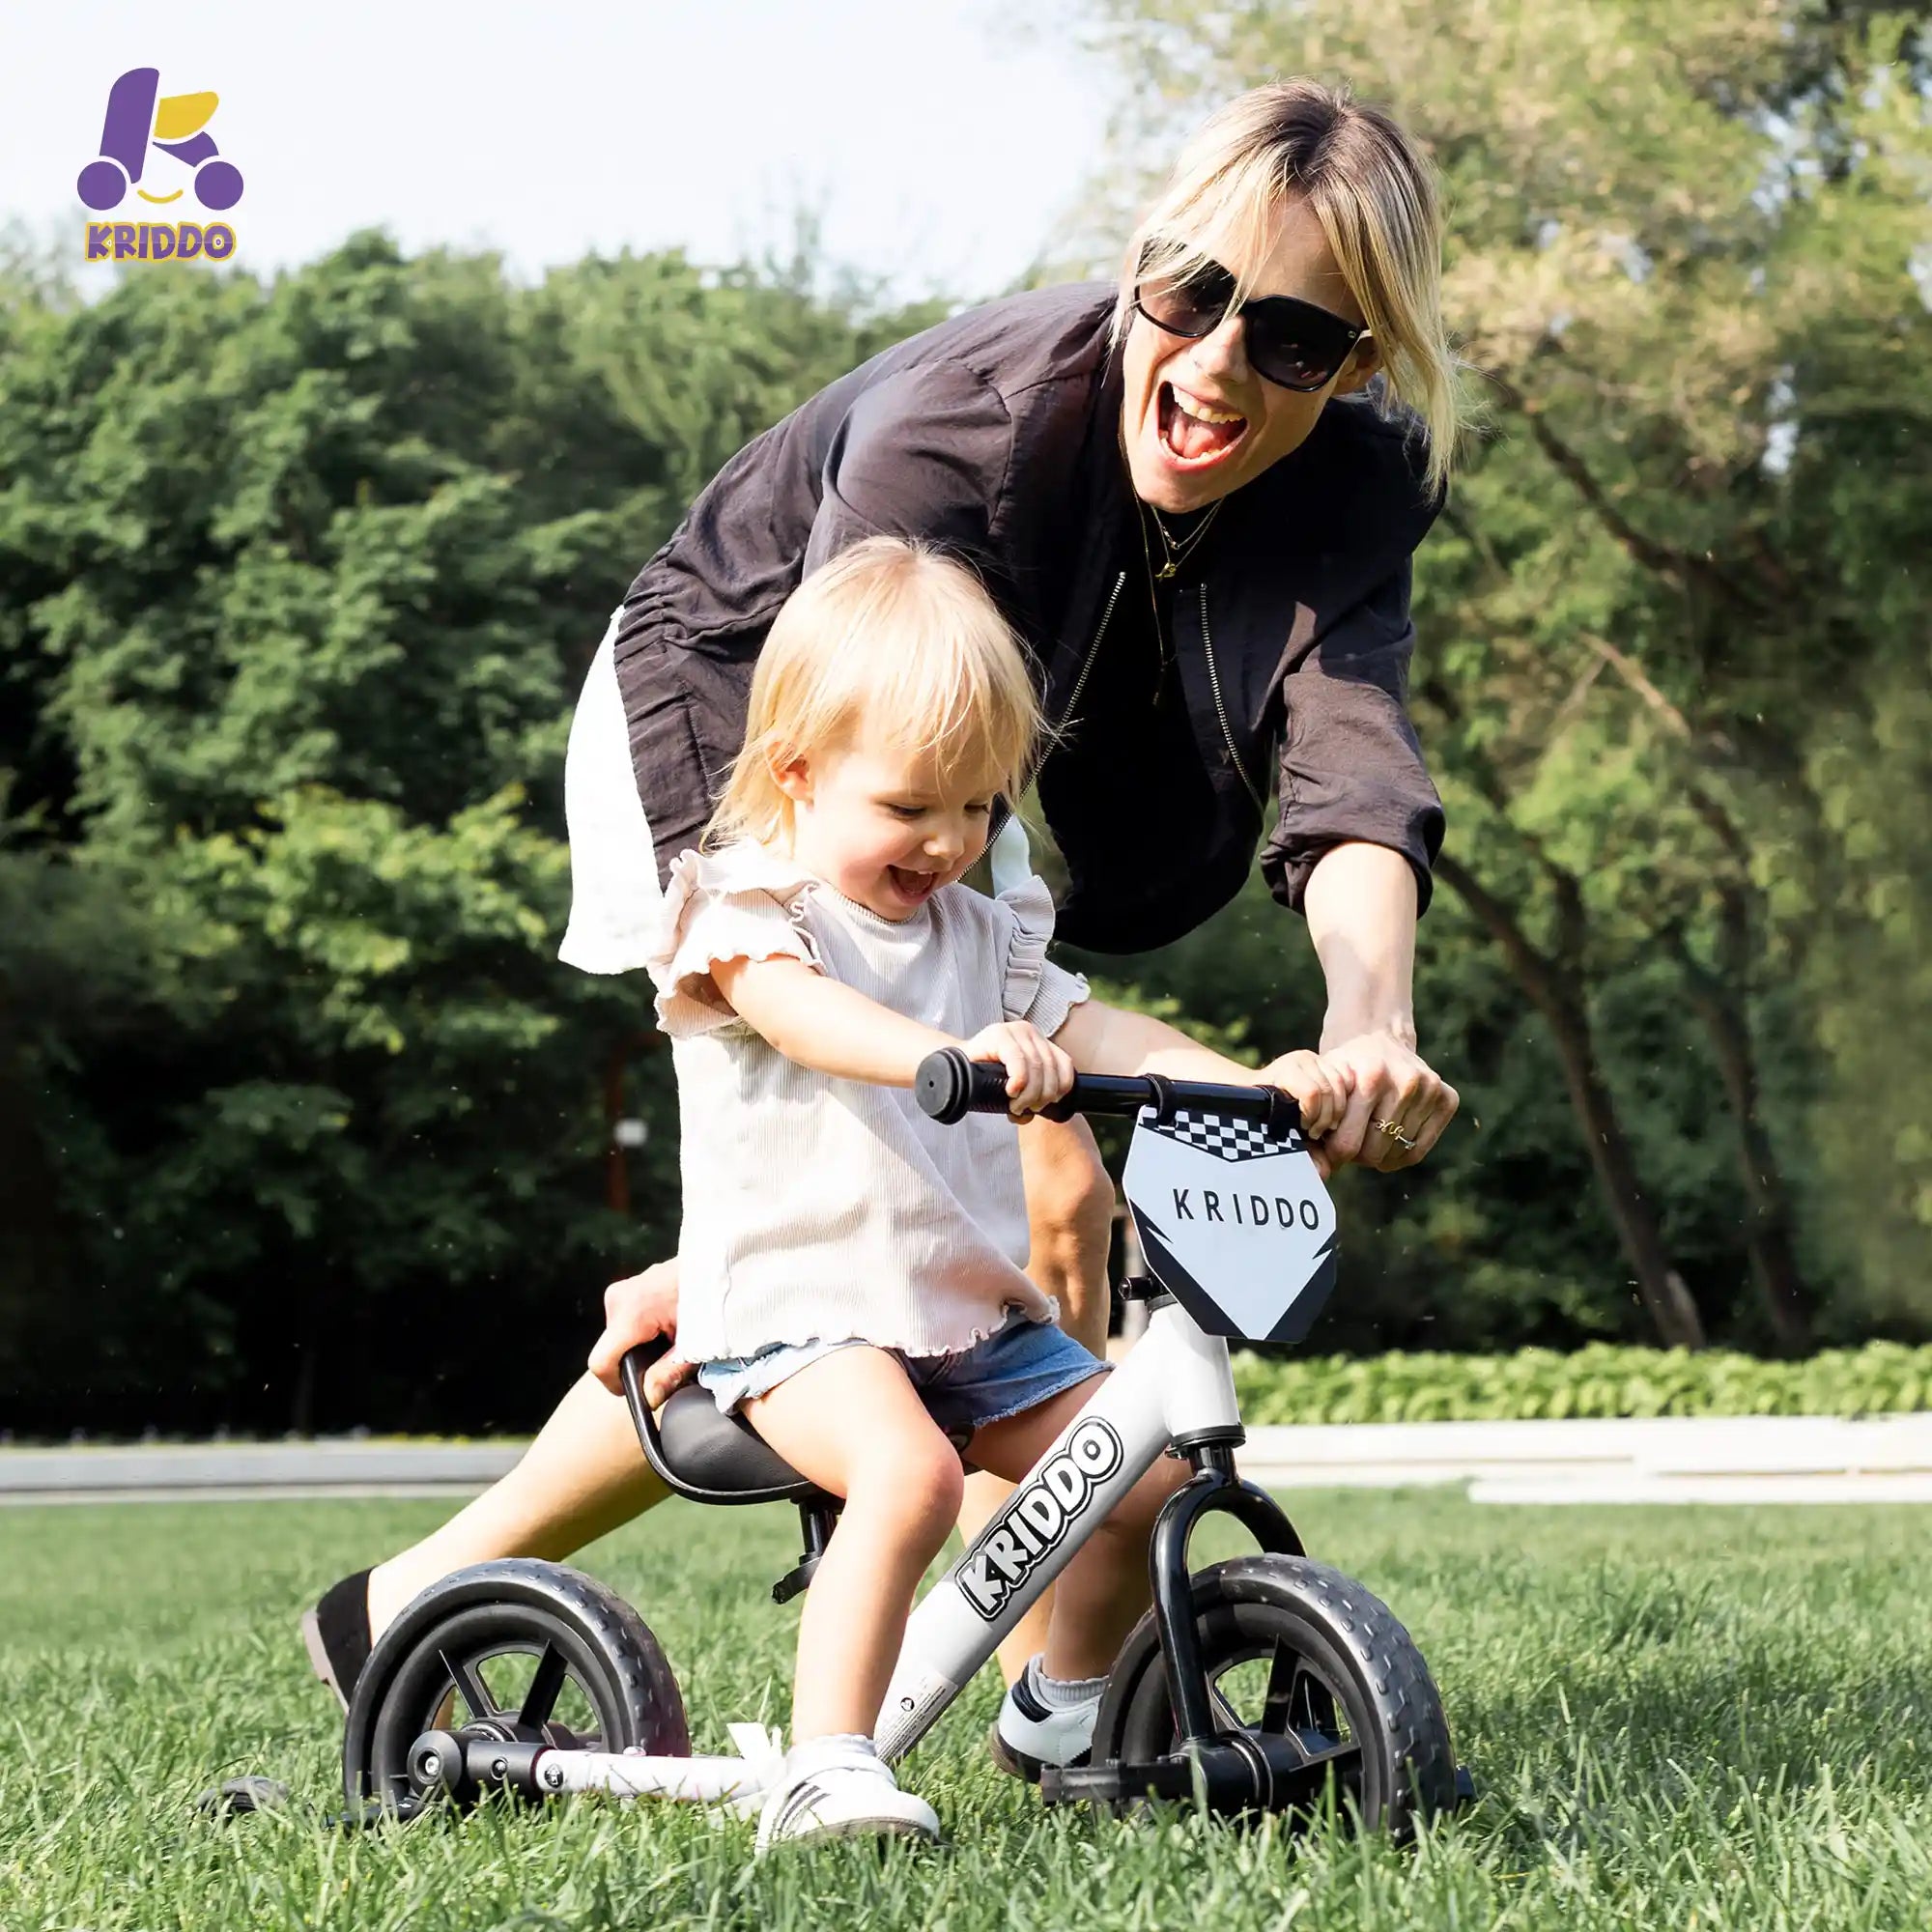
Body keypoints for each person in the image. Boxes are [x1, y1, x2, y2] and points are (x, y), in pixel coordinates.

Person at [302, 76, 1463, 1722]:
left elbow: (1350, 750)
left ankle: (432, 1585)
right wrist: (1038, 1146)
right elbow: (875, 764)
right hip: (752, 710)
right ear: (1142, 257)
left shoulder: (1352, 479)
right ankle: (522, 1544)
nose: (1209, 367)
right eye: (1188, 292)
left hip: (939, 791)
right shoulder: (964, 434)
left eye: (1287, 340)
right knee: (887, 1235)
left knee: (873, 1249)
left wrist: (1366, 1027)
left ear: (1356, 364)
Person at [653, 537, 1352, 1844]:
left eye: (978, 810)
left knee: (1133, 1480)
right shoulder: (751, 909)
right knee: (908, 1476)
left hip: (970, 1318)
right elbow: (799, 1015)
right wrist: (943, 1054)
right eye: (914, 805)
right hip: (802, 1317)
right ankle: (827, 1762)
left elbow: (1101, 1036)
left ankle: (1064, 1700)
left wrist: (1253, 1086)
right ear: (798, 775)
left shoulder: (981, 933)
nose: (949, 841)